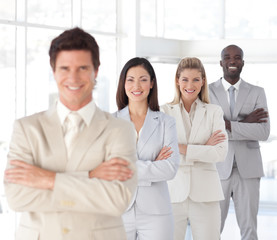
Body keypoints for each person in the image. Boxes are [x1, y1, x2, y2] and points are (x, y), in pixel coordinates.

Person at [4, 27, 137, 240]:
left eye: (83, 68)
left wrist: (47, 179)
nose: (73, 78)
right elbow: (17, 197)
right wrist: (90, 177)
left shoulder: (120, 129)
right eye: (65, 68)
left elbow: (117, 199)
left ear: (96, 70)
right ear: (54, 70)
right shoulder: (26, 128)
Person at [161, 57, 228, 240]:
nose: (190, 85)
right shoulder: (164, 112)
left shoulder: (214, 111)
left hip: (207, 194)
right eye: (185, 79)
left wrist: (180, 148)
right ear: (177, 81)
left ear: (203, 81)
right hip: (172, 194)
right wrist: (204, 148)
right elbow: (161, 153)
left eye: (196, 79)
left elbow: (220, 153)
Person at [113, 57, 180, 240]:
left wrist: (126, 168)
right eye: (131, 80)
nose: (137, 86)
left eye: (143, 79)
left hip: (156, 213)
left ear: (151, 83)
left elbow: (170, 169)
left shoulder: (167, 123)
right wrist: (152, 165)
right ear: (123, 84)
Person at [209, 45, 270, 240]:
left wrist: (229, 125)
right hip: (218, 169)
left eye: (237, 57)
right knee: (212, 229)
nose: (232, 61)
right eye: (228, 57)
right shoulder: (207, 91)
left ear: (243, 62)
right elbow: (208, 131)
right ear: (221, 63)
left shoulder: (257, 92)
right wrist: (245, 123)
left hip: (249, 170)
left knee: (249, 230)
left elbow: (263, 131)